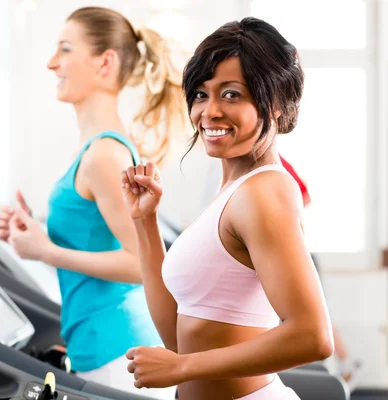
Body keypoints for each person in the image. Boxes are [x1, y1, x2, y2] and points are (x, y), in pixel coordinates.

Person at [121, 18, 334, 399]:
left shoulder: (263, 191)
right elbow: (176, 335)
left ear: (276, 103)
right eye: (201, 94)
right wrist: (145, 221)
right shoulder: (233, 191)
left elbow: (313, 337)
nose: (210, 111)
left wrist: (183, 367)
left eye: (232, 94)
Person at [0, 6, 187, 398]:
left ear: (105, 63)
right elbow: (98, 238)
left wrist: (45, 251)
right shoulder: (99, 150)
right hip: (105, 346)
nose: (51, 63)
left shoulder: (104, 156)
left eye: (64, 49)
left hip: (118, 351)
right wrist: (35, 230)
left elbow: (141, 265)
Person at [279, 155, 364, 387]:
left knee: (310, 312)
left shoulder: (273, 161)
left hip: (295, 250)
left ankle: (346, 362)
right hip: (293, 249)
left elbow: (305, 197)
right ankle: (346, 363)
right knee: (312, 310)